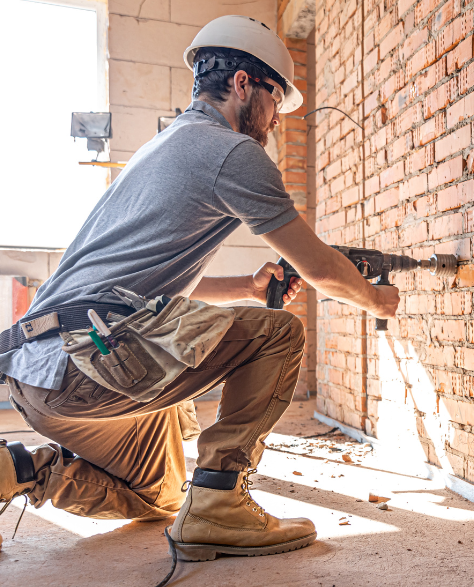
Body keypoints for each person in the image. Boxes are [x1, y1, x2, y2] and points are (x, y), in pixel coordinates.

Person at [0, 15, 399, 563]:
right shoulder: (233, 152)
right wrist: (377, 300)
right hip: (85, 363)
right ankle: (219, 503)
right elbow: (322, 271)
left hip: (37, 374)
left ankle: (19, 469)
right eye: (275, 104)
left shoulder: (162, 147)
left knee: (159, 494)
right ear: (243, 84)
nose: (275, 122)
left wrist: (247, 287)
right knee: (279, 335)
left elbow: (143, 288)